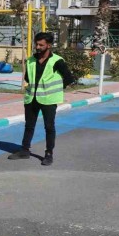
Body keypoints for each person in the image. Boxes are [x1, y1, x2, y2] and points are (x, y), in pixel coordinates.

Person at [8, 32, 74, 166]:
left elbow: (69, 78)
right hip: (31, 98)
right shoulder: (31, 60)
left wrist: (55, 89)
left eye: (41, 45)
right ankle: (25, 150)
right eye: (36, 44)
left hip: (48, 100)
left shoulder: (57, 61)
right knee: (29, 126)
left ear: (49, 45)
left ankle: (49, 154)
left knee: (49, 127)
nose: (37, 47)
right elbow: (27, 78)